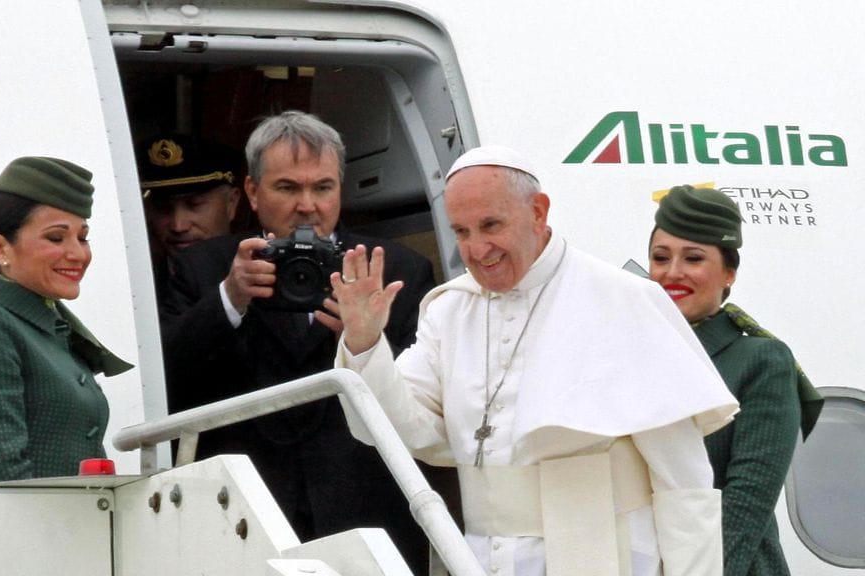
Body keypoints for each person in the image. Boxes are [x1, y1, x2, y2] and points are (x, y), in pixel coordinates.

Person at [331, 145, 739, 576]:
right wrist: (364, 341)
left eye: (490, 225)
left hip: (608, 556)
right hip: (484, 559)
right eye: (462, 232)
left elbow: (684, 481)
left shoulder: (622, 299)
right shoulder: (450, 311)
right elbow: (401, 430)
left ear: (539, 211)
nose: (477, 248)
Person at [159, 110, 451, 574]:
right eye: (288, 188)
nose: (307, 205)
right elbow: (164, 385)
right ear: (252, 192)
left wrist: (363, 343)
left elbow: (428, 401)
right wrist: (229, 301)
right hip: (240, 515)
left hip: (366, 514)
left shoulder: (396, 268)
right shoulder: (205, 268)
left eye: (323, 187)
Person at [648, 185, 823, 576]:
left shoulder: (760, 361)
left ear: (729, 274)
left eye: (693, 258)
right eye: (661, 258)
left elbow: (745, 505)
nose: (672, 272)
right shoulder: (630, 356)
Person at [0, 156, 132, 483]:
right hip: (33, 529)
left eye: (82, 237)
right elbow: (3, 476)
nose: (78, 254)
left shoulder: (50, 331)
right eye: (56, 238)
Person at [136, 133, 242, 299]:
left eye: (194, 205)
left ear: (231, 203)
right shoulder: (135, 285)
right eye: (163, 208)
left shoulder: (263, 280)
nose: (178, 226)